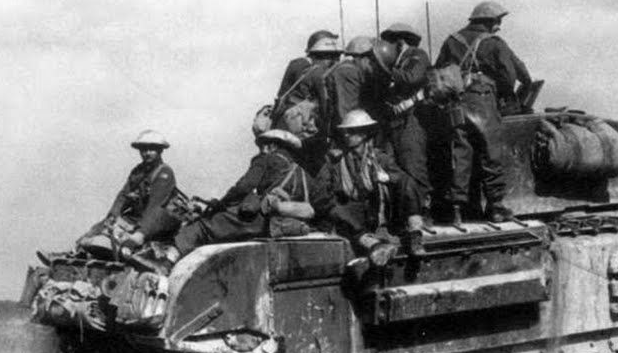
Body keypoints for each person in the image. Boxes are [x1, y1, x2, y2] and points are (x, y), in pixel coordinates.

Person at [158, 129, 313, 269]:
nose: (262, 150)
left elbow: (244, 187)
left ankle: (166, 264)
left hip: (263, 220)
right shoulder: (301, 172)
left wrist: (220, 204)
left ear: (271, 145)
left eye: (263, 146)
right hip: (287, 224)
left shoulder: (266, 159)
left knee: (202, 226)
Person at [433, 1, 527, 223]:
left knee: (461, 155)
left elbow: (438, 70)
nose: (499, 26)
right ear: (489, 22)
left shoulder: (451, 41)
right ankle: (496, 207)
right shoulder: (494, 44)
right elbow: (510, 77)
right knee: (490, 153)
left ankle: (456, 210)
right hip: (483, 100)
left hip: (456, 103)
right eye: (498, 21)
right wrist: (502, 96)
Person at [311, 109, 425, 263]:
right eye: (345, 132)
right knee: (335, 207)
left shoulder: (379, 158)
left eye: (351, 132)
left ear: (364, 134)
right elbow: (320, 196)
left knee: (407, 182)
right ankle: (372, 244)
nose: (346, 135)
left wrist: (388, 178)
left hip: (375, 212)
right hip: (350, 216)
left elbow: (402, 179)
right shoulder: (334, 161)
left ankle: (415, 235)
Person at [76, 130, 180, 256]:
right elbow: (123, 195)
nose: (147, 153)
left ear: (160, 151)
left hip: (159, 220)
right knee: (97, 229)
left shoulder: (164, 173)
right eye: (143, 149)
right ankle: (76, 251)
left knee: (128, 243)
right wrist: (112, 217)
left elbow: (155, 207)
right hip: (139, 217)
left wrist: (139, 235)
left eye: (151, 149)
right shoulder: (138, 171)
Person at [370, 30, 434, 214]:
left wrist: (388, 71)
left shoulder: (416, 56)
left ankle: (422, 210)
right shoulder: (399, 62)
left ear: (400, 42)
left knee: (413, 164)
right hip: (395, 122)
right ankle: (403, 211)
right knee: (393, 166)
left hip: (412, 120)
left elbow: (412, 77)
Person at [322, 35, 376, 142]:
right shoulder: (347, 72)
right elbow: (346, 110)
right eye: (372, 60)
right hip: (349, 134)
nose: (373, 65)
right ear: (361, 58)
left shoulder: (350, 70)